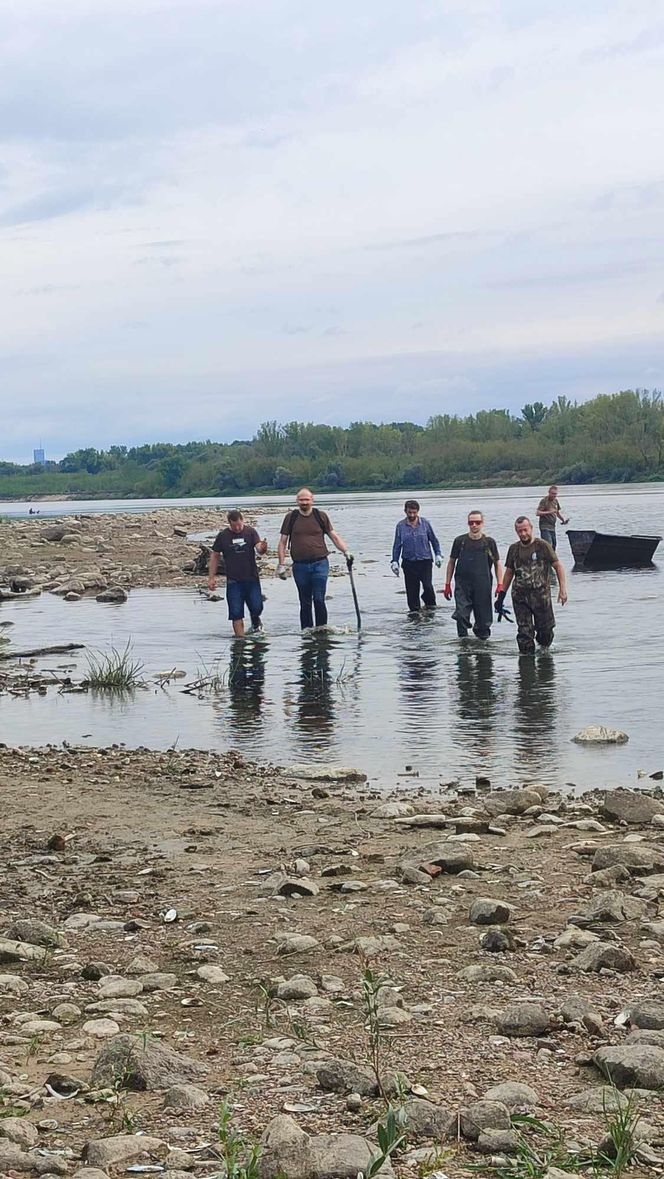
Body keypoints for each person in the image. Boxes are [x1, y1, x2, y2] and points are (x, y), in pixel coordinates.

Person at [276, 489, 353, 630]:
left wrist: (346, 551)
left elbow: (334, 536)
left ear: (312, 500)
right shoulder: (290, 517)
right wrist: (281, 564)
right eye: (301, 500)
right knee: (305, 602)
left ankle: (322, 630)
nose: (304, 502)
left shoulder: (320, 516)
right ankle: (306, 632)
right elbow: (282, 542)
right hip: (299, 566)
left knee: (318, 599)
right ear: (297, 501)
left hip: (320, 563)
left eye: (307, 500)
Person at [497, 516, 568, 655]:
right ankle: (526, 665)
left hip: (541, 596)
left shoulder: (542, 546)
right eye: (519, 531)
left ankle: (544, 654)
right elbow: (509, 573)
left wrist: (562, 590)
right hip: (520, 596)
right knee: (524, 634)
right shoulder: (513, 549)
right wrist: (501, 597)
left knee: (545, 633)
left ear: (531, 528)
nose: (523, 534)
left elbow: (558, 566)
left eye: (525, 530)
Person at [443, 511, 503, 639]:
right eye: (471, 523)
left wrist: (500, 584)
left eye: (477, 522)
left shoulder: (489, 542)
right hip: (462, 585)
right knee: (461, 615)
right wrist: (447, 584)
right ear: (468, 524)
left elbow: (497, 563)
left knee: (483, 623)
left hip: (483, 585)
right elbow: (451, 562)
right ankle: (463, 643)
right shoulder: (460, 541)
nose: (474, 525)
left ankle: (482, 647)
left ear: (482, 523)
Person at [208, 509, 268, 638]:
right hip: (233, 580)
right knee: (236, 612)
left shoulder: (250, 532)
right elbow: (215, 556)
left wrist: (262, 548)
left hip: (251, 578)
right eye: (234, 526)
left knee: (257, 607)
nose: (237, 528)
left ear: (243, 521)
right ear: (229, 523)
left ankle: (256, 623)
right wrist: (211, 578)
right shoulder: (223, 536)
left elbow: (258, 548)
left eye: (239, 525)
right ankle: (240, 641)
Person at [391, 499, 442, 613]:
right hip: (409, 562)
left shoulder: (425, 524)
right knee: (412, 590)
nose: (412, 515)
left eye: (414, 512)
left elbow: (434, 540)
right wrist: (395, 561)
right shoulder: (400, 526)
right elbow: (397, 545)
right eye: (410, 512)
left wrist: (438, 554)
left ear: (418, 511)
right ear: (405, 511)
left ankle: (430, 608)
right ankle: (414, 614)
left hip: (425, 561)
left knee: (428, 586)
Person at [536, 484, 569, 550]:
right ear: (549, 493)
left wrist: (563, 520)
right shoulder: (544, 501)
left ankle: (552, 559)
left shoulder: (555, 501)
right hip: (544, 526)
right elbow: (538, 513)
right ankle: (545, 558)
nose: (554, 495)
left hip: (552, 527)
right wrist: (549, 512)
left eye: (555, 494)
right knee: (548, 545)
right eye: (553, 493)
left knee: (554, 546)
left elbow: (557, 512)